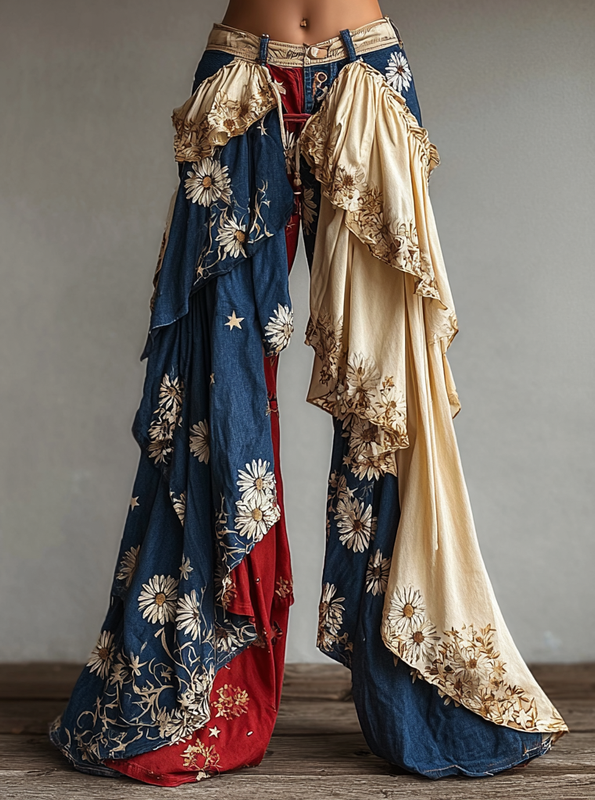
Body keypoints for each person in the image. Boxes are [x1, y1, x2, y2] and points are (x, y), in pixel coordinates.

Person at [50, 1, 567, 785]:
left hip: (367, 79)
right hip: (239, 81)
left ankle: (419, 698)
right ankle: (201, 696)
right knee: (212, 396)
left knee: (386, 397)